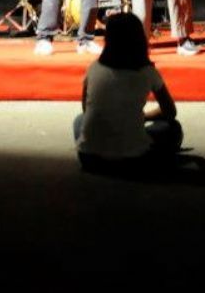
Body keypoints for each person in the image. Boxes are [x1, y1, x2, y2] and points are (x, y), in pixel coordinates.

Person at [74, 12, 183, 174]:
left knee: (79, 121)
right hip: (133, 161)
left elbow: (86, 109)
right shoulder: (147, 71)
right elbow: (170, 111)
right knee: (172, 128)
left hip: (89, 159)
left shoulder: (94, 68)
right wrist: (144, 117)